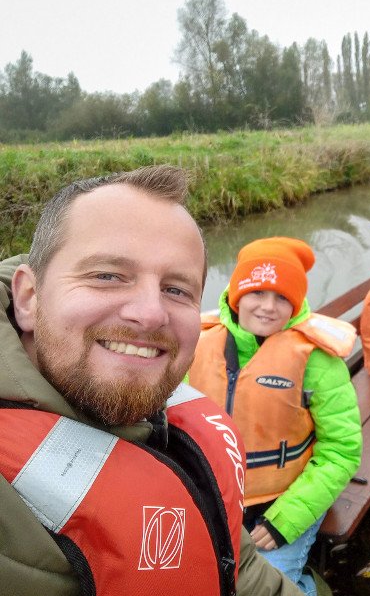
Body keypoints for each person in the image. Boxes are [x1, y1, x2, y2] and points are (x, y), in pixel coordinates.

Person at [0, 166, 302, 596]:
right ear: (29, 298)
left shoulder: (170, 417)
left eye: (176, 289)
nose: (151, 313)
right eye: (108, 276)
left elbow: (245, 573)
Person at [187, 237, 362, 596]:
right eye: (257, 293)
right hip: (214, 499)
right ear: (237, 295)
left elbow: (342, 451)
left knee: (268, 587)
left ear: (296, 303)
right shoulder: (198, 344)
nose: (268, 307)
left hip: (286, 502)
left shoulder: (317, 360)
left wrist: (286, 520)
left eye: (283, 297)